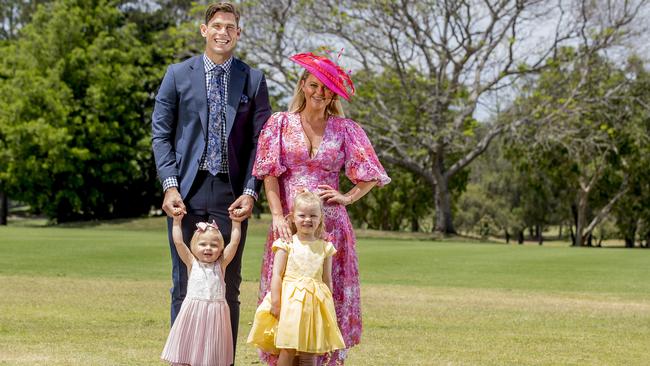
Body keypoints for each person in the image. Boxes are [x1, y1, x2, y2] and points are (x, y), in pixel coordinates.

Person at [252, 52, 390, 365]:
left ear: (333, 95)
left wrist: (348, 196)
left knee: (327, 298)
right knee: (286, 300)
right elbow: (269, 175)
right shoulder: (280, 124)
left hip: (331, 230)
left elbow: (371, 173)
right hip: (290, 226)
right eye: (314, 85)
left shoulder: (345, 129)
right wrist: (276, 216)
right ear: (302, 85)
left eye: (327, 89)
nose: (319, 92)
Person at [151, 1, 272, 356]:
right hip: (186, 188)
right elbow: (161, 133)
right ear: (205, 30)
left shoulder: (252, 79)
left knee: (227, 284)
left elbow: (259, 142)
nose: (223, 32)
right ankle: (182, 361)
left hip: (231, 192)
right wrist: (169, 184)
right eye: (216, 26)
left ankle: (222, 359)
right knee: (182, 283)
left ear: (239, 33)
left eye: (230, 27)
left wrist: (251, 191)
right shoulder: (177, 74)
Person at [247, 191, 346, 366]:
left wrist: (328, 306)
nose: (307, 219)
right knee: (288, 349)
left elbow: (327, 279)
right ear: (292, 217)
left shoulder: (325, 248)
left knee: (309, 351)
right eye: (302, 215)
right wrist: (276, 302)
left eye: (313, 215)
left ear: (320, 218)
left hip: (314, 305)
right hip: (290, 303)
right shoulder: (286, 244)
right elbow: (277, 275)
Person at [161, 211, 241, 365]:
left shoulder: (221, 264)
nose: (208, 248)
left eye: (214, 245)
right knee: (189, 346)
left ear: (220, 249)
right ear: (193, 246)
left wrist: (236, 223)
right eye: (203, 244)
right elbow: (178, 242)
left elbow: (235, 243)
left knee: (210, 351)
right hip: (193, 313)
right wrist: (176, 221)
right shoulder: (191, 262)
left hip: (215, 315)